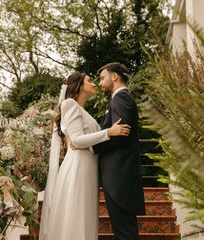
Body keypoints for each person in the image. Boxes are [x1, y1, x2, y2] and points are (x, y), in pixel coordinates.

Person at [39, 72, 131, 240]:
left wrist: (97, 138)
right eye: (90, 81)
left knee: (86, 214)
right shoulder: (69, 104)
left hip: (89, 166)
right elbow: (77, 140)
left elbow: (86, 141)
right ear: (79, 85)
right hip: (78, 166)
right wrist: (109, 132)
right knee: (76, 213)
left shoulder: (83, 111)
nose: (95, 84)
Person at [91, 62, 145, 239]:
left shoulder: (121, 98)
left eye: (102, 78)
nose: (100, 83)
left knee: (124, 232)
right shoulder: (119, 99)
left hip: (119, 176)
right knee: (122, 230)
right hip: (118, 176)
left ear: (114, 77)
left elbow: (121, 133)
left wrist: (92, 145)